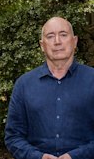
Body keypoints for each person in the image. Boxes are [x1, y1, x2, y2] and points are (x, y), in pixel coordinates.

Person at [5, 16, 94, 159]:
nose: (57, 41)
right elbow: (13, 137)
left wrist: (75, 156)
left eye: (63, 35)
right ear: (42, 45)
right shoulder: (24, 84)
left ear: (75, 41)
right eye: (50, 36)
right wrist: (37, 157)